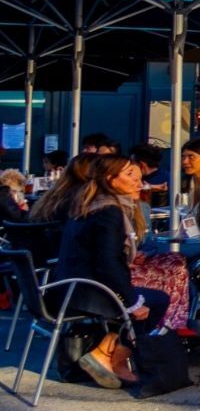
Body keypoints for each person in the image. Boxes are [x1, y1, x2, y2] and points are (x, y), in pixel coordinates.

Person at [51, 156, 171, 387]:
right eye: (129, 176)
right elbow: (107, 264)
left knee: (146, 295)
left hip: (69, 288)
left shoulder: (88, 203)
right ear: (110, 179)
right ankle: (115, 359)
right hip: (89, 292)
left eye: (138, 176)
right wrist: (133, 302)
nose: (138, 182)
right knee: (157, 300)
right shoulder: (109, 211)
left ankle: (105, 349)